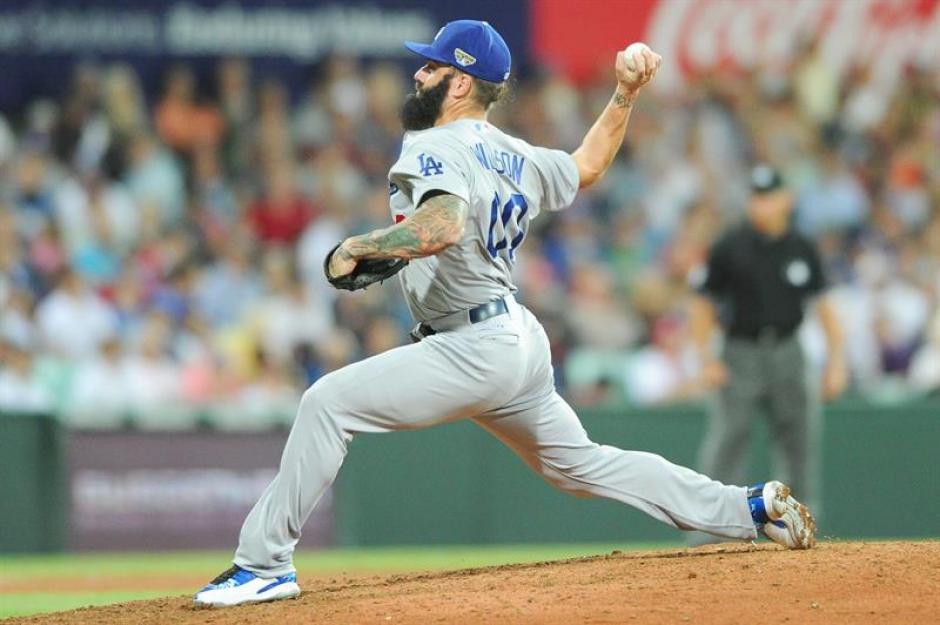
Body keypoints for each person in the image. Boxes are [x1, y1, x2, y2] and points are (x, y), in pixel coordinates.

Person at [194, 21, 816, 609]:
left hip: (472, 345)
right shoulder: (512, 152)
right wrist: (624, 94)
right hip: (514, 338)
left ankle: (264, 565)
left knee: (327, 404)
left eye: (432, 66)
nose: (420, 74)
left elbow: (443, 223)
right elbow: (587, 164)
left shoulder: (435, 143)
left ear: (460, 82)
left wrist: (363, 244)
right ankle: (747, 508)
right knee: (581, 465)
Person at [689, 165, 847, 525]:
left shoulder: (802, 247)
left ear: (786, 199)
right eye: (756, 197)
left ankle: (799, 524)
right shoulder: (729, 246)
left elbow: (824, 307)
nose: (761, 204)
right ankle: (712, 526)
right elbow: (702, 304)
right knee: (729, 439)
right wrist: (706, 358)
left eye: (768, 196)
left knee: (799, 440)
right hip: (740, 352)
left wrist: (836, 361)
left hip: (789, 350)